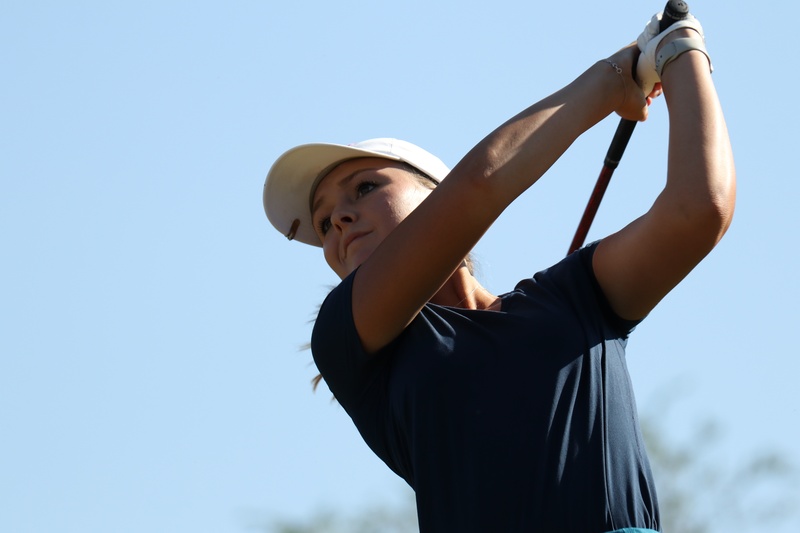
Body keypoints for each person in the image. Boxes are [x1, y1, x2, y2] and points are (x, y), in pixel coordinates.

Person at [263, 7, 735, 533]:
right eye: (323, 222)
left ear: (435, 196)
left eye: (365, 188)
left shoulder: (574, 295)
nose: (338, 220)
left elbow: (699, 209)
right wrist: (608, 83)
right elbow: (479, 188)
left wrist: (679, 50)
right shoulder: (348, 343)